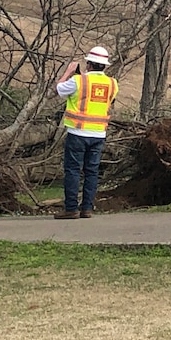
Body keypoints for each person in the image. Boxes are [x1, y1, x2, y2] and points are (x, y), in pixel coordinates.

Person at [54, 46, 118, 219]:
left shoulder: (78, 81)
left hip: (78, 133)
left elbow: (58, 90)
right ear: (104, 66)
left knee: (73, 170)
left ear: (89, 64)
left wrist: (68, 72)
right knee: (92, 171)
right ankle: (87, 208)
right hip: (98, 134)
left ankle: (71, 209)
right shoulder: (113, 84)